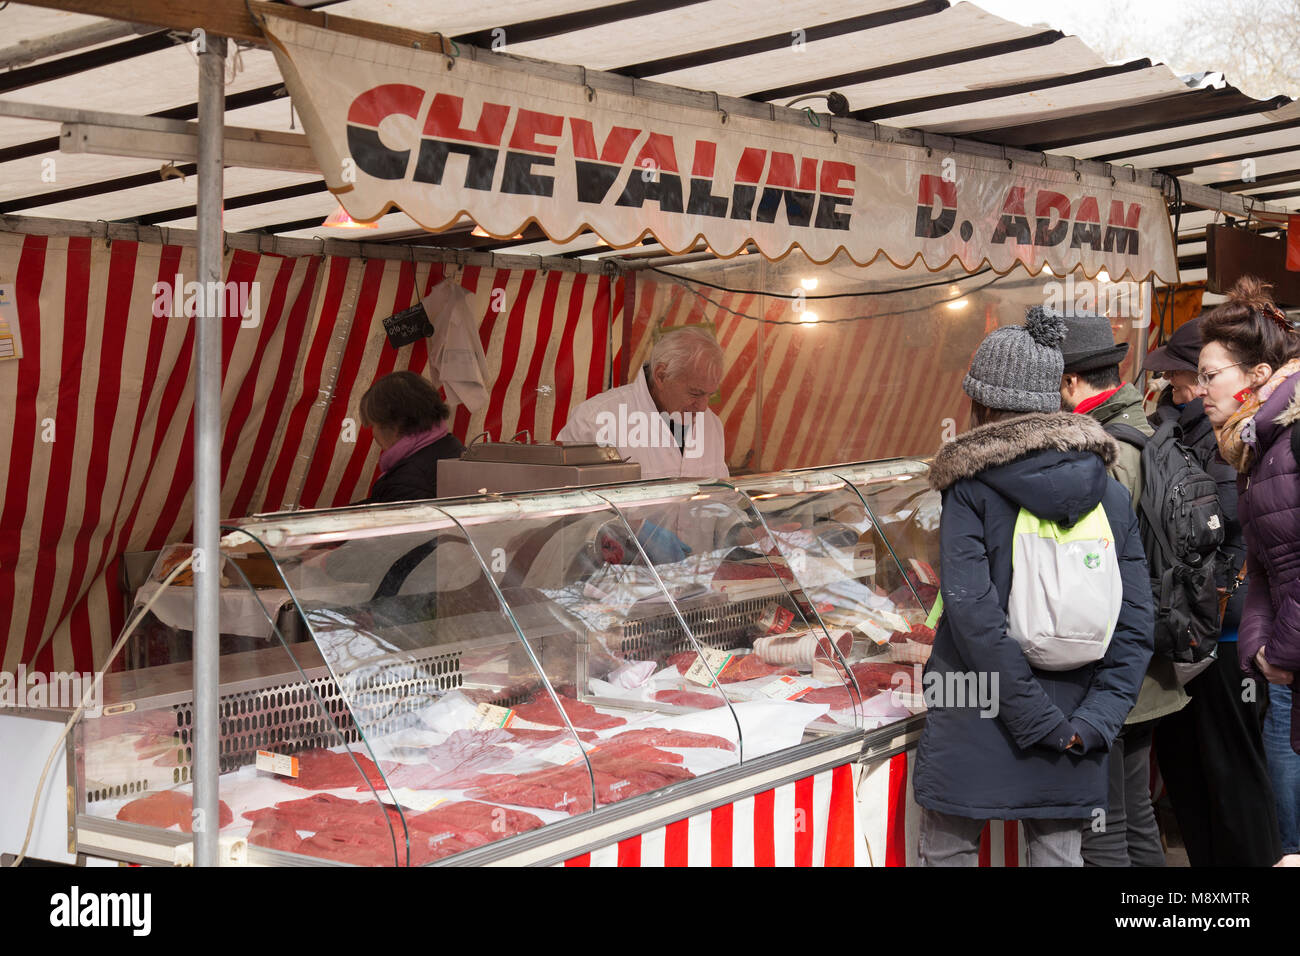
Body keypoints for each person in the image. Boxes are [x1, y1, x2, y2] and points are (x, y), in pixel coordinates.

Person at [915, 307, 1153, 866]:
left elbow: (973, 620)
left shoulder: (968, 488)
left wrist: (1031, 719)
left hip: (975, 709)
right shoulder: (1110, 491)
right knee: (1058, 857)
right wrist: (1089, 723)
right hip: (1076, 719)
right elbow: (1137, 621)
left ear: (982, 405)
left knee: (947, 852)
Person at [1143, 316, 1282, 866]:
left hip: (1224, 636)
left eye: (1190, 375)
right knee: (1197, 773)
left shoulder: (1227, 442)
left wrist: (1211, 610)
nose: (1178, 387)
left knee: (1231, 774)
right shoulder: (1191, 433)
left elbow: (1229, 539)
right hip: (1208, 630)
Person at [1059, 311, 1184, 867]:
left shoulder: (1106, 450)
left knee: (1104, 827)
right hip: (1151, 662)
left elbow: (1090, 565)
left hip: (1113, 667)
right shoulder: (1151, 429)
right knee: (1134, 812)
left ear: (1069, 382)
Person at [1198, 276, 1300, 861]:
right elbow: (1261, 564)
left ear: (1257, 377)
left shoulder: (1288, 437)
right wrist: (1263, 649)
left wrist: (1281, 651)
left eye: (1212, 375)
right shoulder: (1254, 446)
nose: (1201, 388)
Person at [558, 325, 728, 480]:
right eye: (695, 393)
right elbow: (565, 500)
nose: (703, 407)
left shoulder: (711, 424)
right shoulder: (594, 420)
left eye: (709, 394)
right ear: (661, 375)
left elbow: (722, 498)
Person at [357, 370, 465, 504]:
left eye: (374, 425)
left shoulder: (404, 481)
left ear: (395, 426)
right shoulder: (450, 444)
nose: (373, 434)